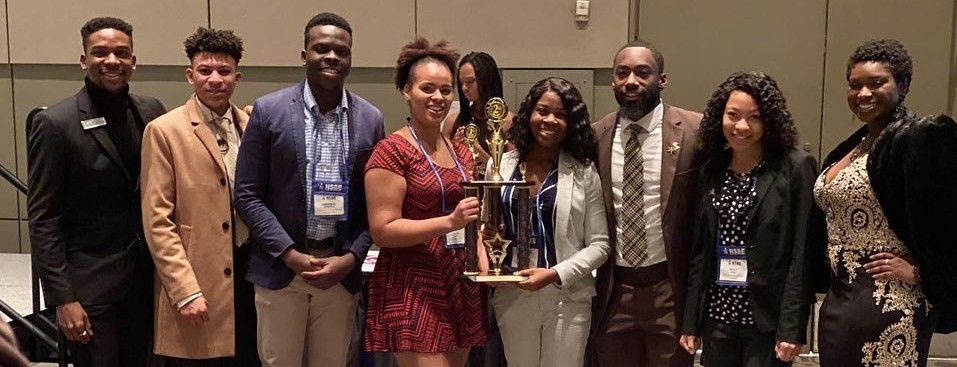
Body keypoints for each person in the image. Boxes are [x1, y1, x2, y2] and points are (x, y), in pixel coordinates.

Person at [233, 12, 384, 367]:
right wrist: (290, 255)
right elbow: (247, 194)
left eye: (341, 51)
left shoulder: (370, 118)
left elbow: (373, 202)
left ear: (350, 58)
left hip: (339, 273)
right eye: (322, 48)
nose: (332, 56)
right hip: (282, 271)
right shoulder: (269, 111)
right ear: (304, 55)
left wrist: (349, 259)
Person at [27, 16, 164, 367]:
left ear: (134, 60)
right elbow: (44, 218)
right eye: (100, 52)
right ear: (83, 60)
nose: (112, 61)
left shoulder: (152, 112)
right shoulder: (55, 124)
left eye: (122, 52)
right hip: (90, 290)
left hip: (146, 282)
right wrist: (63, 300)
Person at [811, 39, 957, 366]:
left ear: (902, 85)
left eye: (877, 83)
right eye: (855, 85)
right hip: (841, 300)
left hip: (891, 302)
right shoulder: (853, 146)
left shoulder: (920, 138)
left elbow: (949, 221)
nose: (864, 93)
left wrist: (921, 273)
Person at [677, 72, 816, 366]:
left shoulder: (794, 166)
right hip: (718, 316)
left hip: (767, 318)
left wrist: (792, 326)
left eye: (754, 117)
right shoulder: (712, 169)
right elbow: (701, 252)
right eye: (733, 115)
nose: (741, 126)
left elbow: (801, 253)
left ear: (770, 120)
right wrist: (691, 321)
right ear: (720, 116)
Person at [140, 27, 260, 366]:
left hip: (250, 275)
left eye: (224, 71)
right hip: (198, 278)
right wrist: (184, 291)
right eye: (205, 71)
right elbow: (157, 220)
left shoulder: (251, 125)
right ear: (190, 75)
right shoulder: (164, 130)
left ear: (237, 76)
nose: (215, 79)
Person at [364, 37, 486, 367]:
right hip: (411, 285)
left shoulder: (462, 152)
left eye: (446, 90)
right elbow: (383, 230)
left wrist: (484, 256)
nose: (438, 98)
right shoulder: (391, 152)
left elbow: (472, 216)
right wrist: (449, 223)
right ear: (407, 91)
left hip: (458, 281)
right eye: (428, 89)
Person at [588, 38, 707, 367]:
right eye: (622, 73)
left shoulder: (696, 131)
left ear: (662, 80)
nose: (631, 81)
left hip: (669, 290)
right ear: (613, 80)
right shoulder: (595, 136)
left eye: (643, 73)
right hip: (614, 291)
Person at [483, 77, 609, 367]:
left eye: (561, 115)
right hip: (513, 292)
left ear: (571, 122)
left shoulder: (583, 172)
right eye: (543, 111)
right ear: (529, 114)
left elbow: (600, 245)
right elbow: (487, 226)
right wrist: (488, 232)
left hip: (567, 295)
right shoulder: (499, 165)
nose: (550, 120)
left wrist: (554, 274)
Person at [443, 51, 514, 176]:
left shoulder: (509, 122)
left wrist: (476, 149)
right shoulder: (452, 122)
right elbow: (442, 170)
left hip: (495, 193)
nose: (464, 88)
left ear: (486, 80)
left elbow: (512, 175)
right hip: (462, 192)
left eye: (470, 81)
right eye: (461, 83)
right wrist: (455, 148)